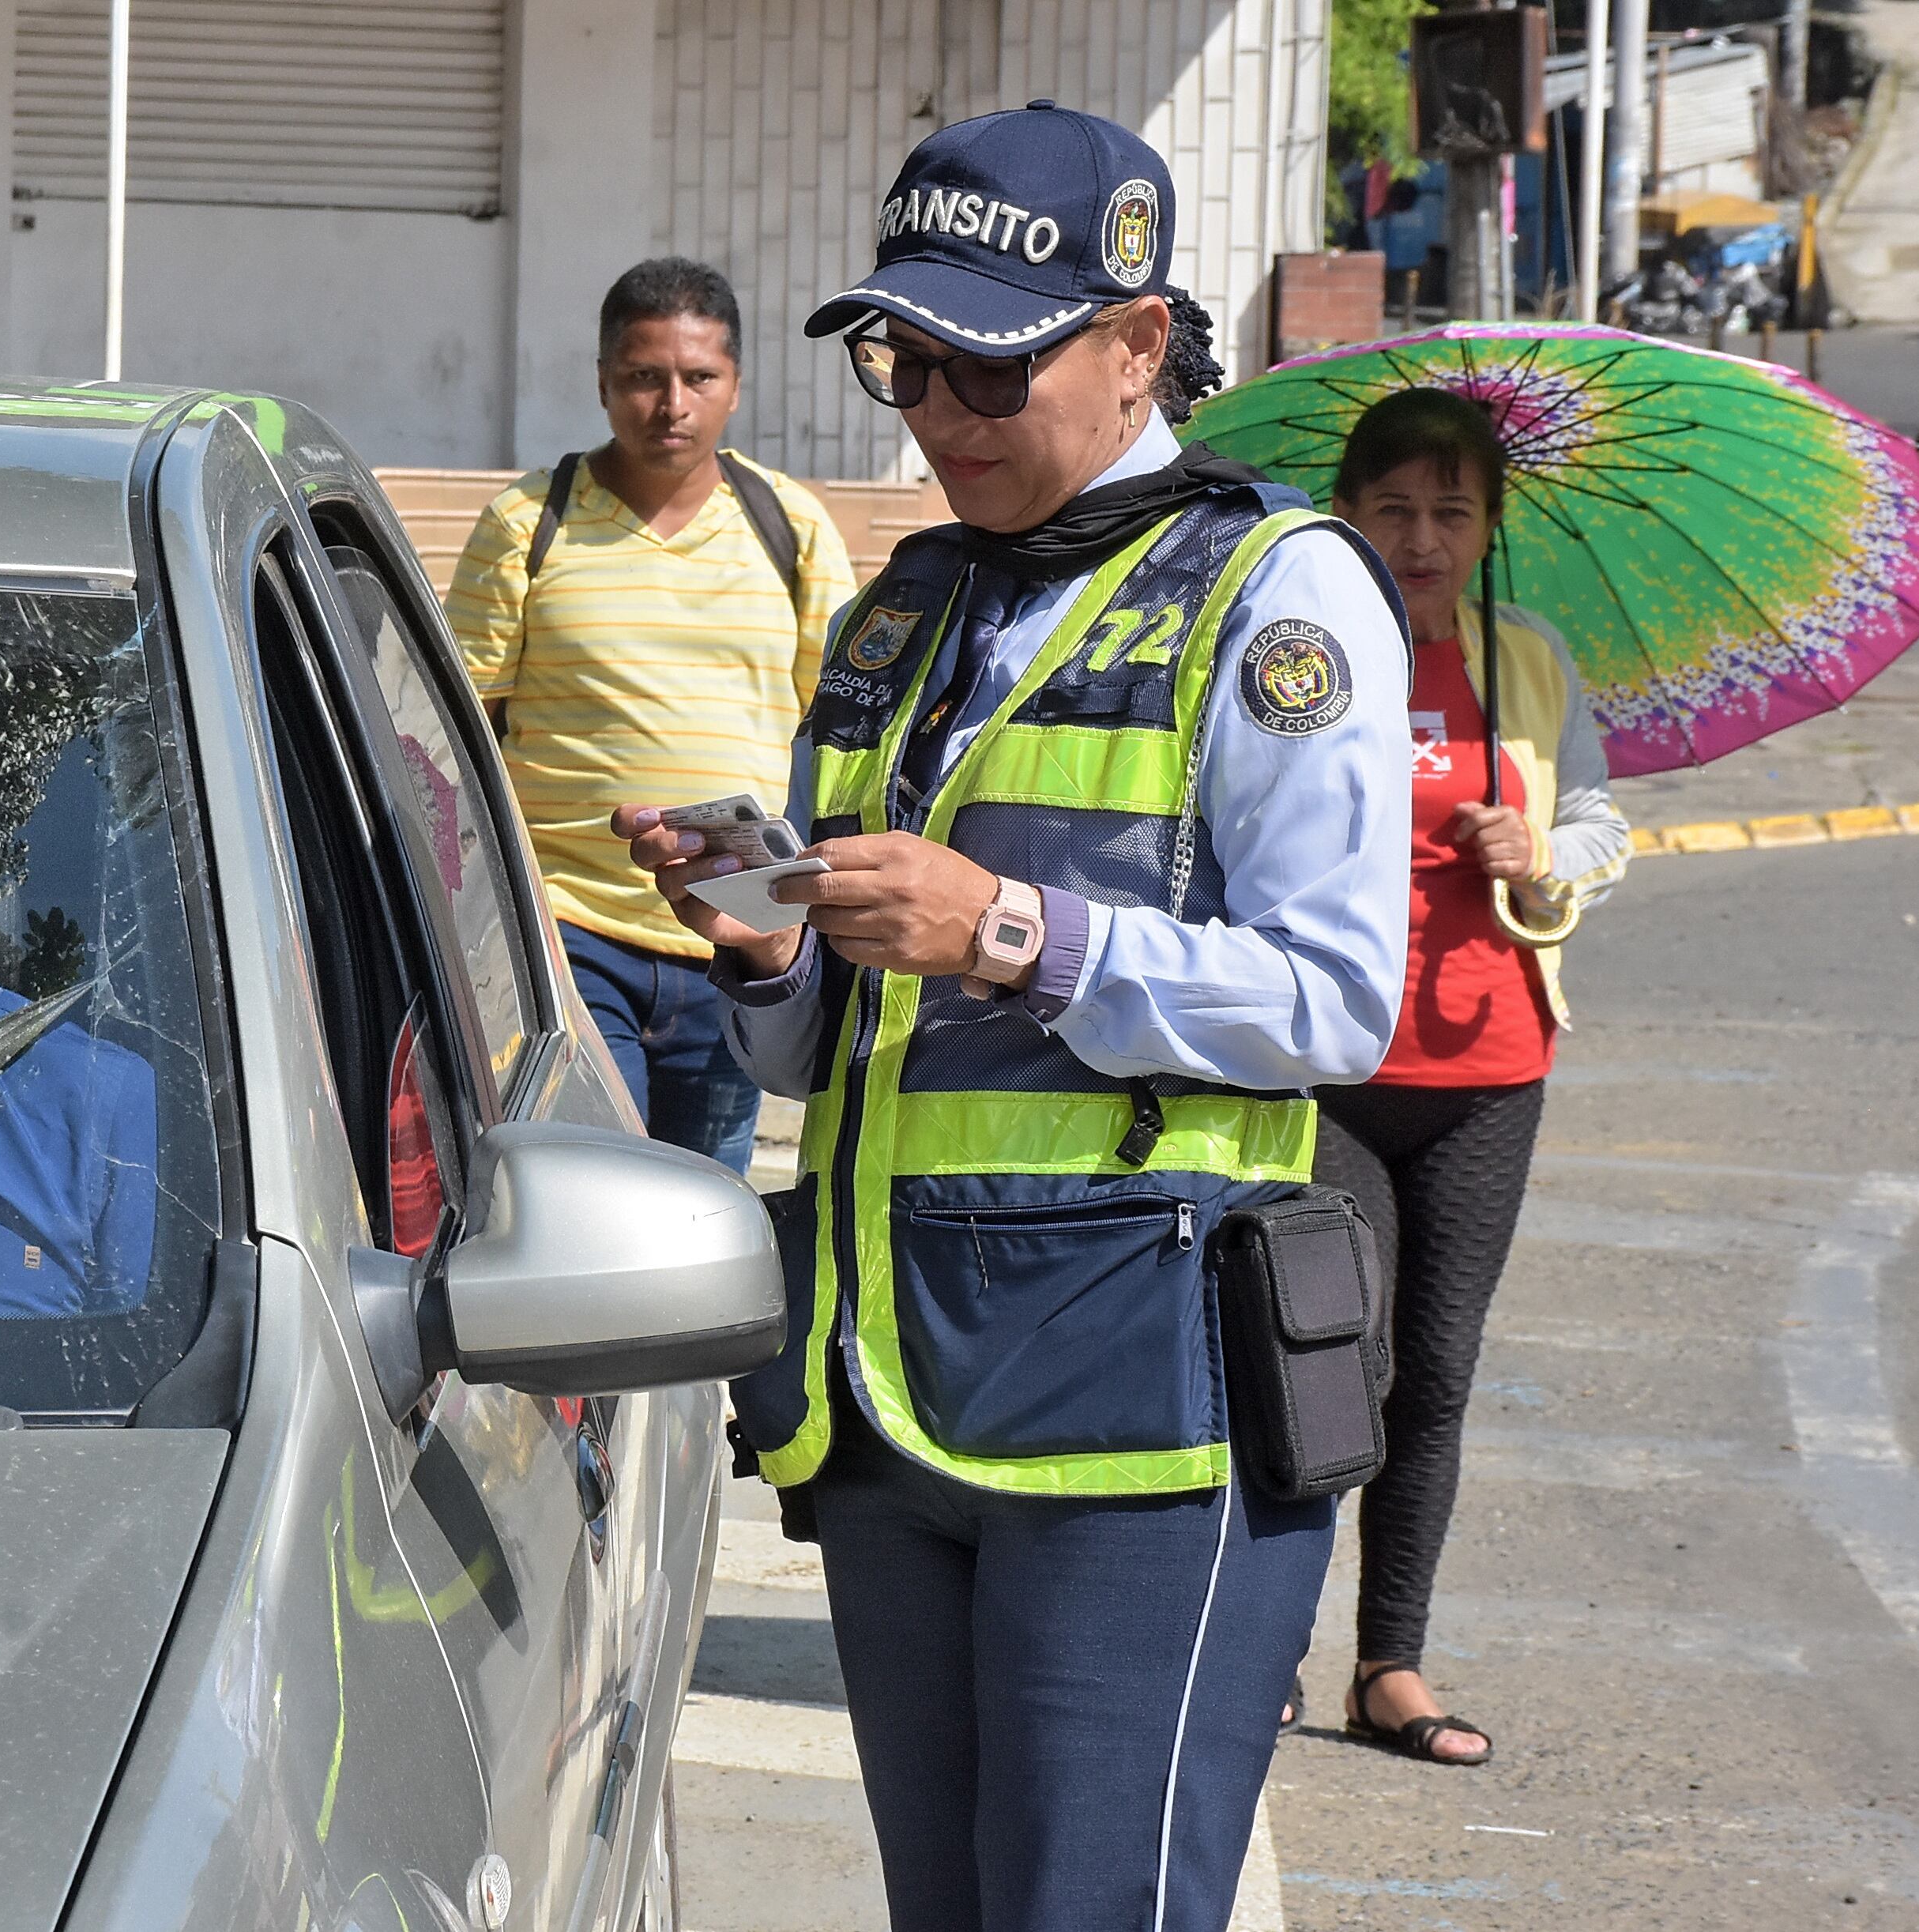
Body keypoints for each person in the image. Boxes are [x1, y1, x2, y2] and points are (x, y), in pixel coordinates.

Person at [614, 106, 1412, 1930]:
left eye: (991, 362)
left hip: (1145, 1409)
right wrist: (758, 946)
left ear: (1135, 343)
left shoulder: (1273, 591)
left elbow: (1335, 998)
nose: (943, 410)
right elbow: (825, 1051)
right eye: (909, 361)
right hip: (894, 1392)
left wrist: (1014, 933)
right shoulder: (905, 604)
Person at [1312, 386, 1630, 1763]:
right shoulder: (1302, 661)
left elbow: (1604, 819)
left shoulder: (1531, 663)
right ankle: (1262, 1635)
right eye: (1393, 510)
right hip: (1326, 1067)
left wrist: (1546, 853)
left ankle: (1391, 1663)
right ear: (1347, 519)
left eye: (1450, 512)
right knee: (1324, 1364)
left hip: (1492, 1068)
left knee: (1432, 1375)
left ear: (1490, 525)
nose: (1422, 538)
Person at [445, 257, 855, 1173]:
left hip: (738, 930)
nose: (672, 403)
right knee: (596, 1204)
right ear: (603, 382)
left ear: (736, 387)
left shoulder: (792, 528)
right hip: (569, 932)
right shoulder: (527, 524)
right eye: (643, 377)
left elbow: (838, 727)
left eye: (698, 378)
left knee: (710, 1212)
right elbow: (459, 731)